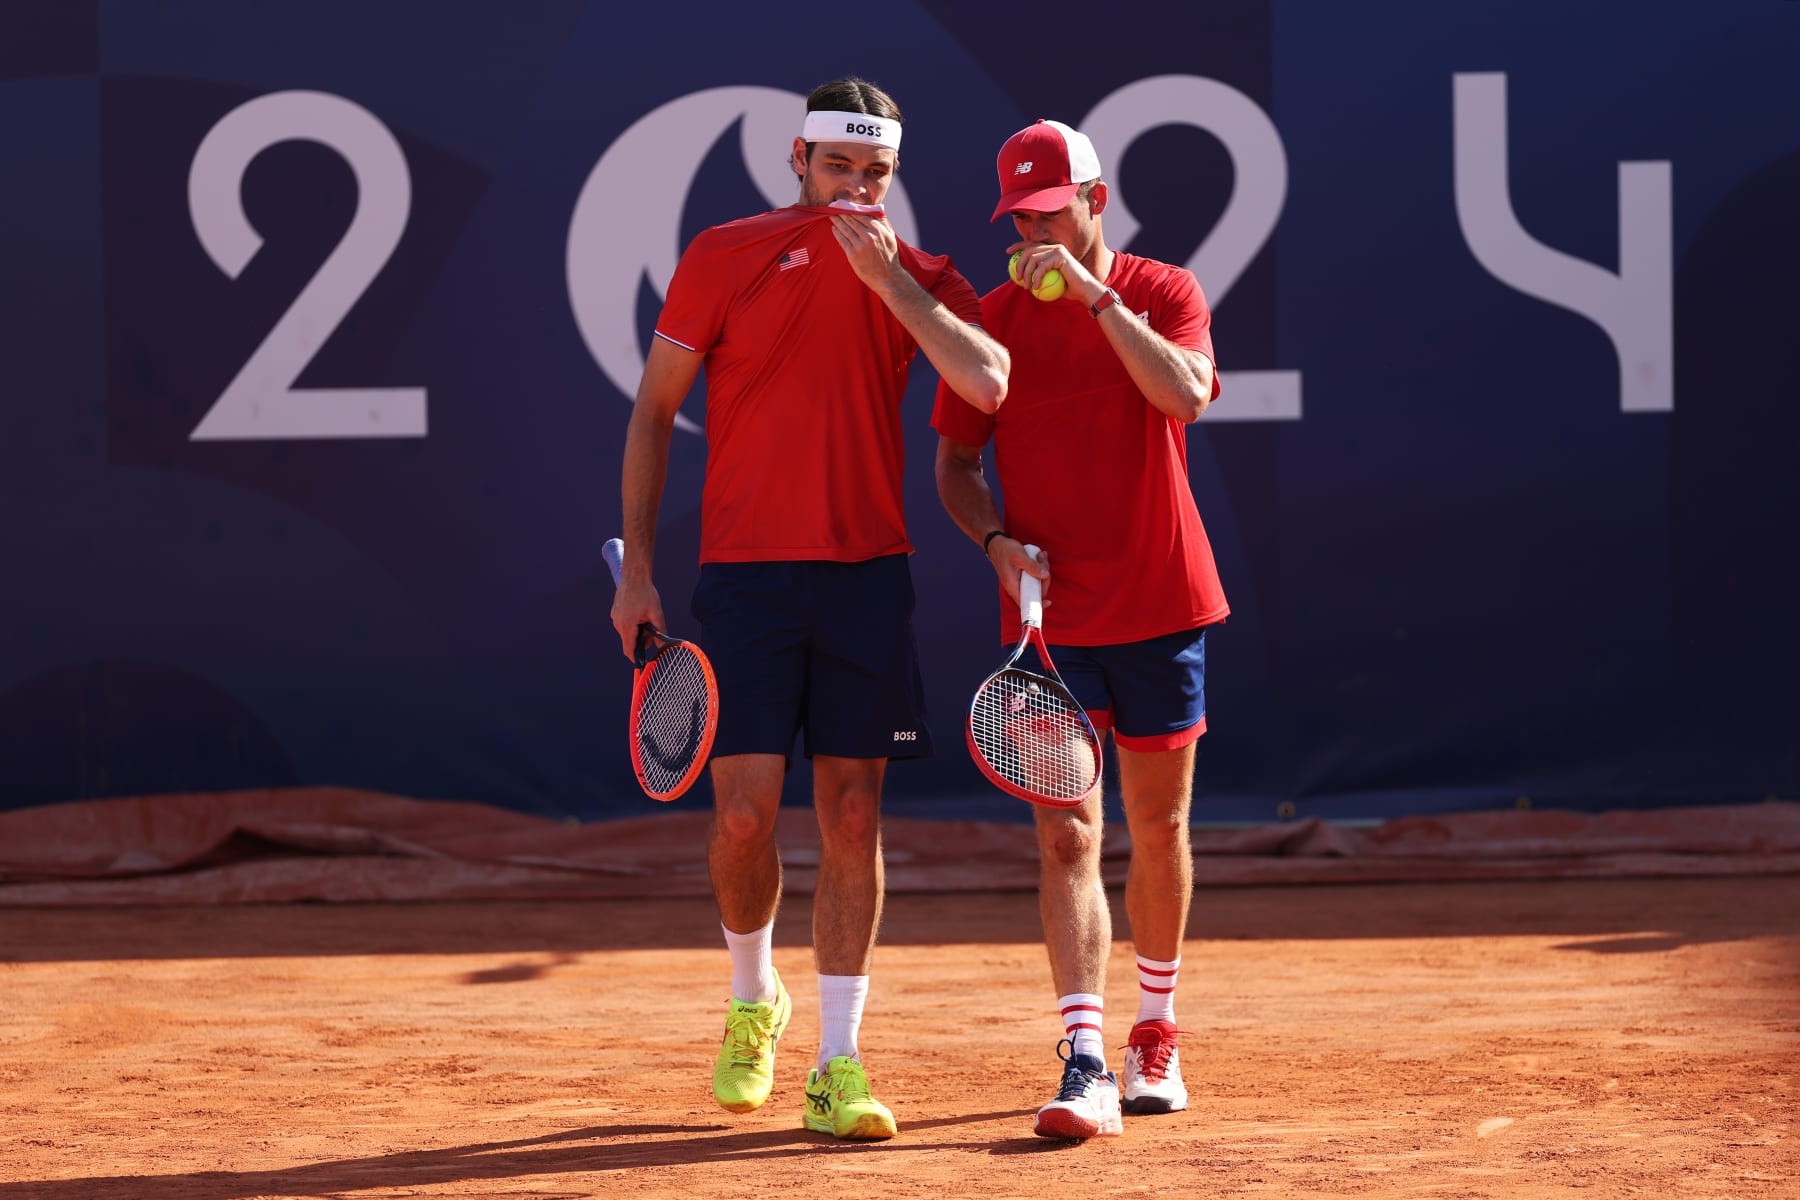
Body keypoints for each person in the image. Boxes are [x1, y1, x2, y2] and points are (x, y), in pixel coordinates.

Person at [611, 77, 1009, 1142]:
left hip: (867, 577)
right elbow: (654, 413)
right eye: (839, 166)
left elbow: (989, 387)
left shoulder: (923, 276)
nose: (857, 186)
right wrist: (640, 572)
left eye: (876, 172)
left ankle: (838, 1064)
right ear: (798, 159)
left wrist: (895, 292)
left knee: (851, 818)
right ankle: (755, 998)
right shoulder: (724, 256)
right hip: (746, 579)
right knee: (741, 816)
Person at [932, 119, 1228, 1140]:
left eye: (1051, 210)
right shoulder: (994, 320)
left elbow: (1183, 396)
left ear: (1096, 201)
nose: (1033, 230)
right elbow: (956, 466)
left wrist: (1098, 298)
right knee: (1066, 835)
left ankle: (1157, 1031)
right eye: (1020, 216)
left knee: (1159, 827)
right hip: (1050, 621)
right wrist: (994, 541)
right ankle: (1088, 1055)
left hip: (1161, 603)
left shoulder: (1163, 292)